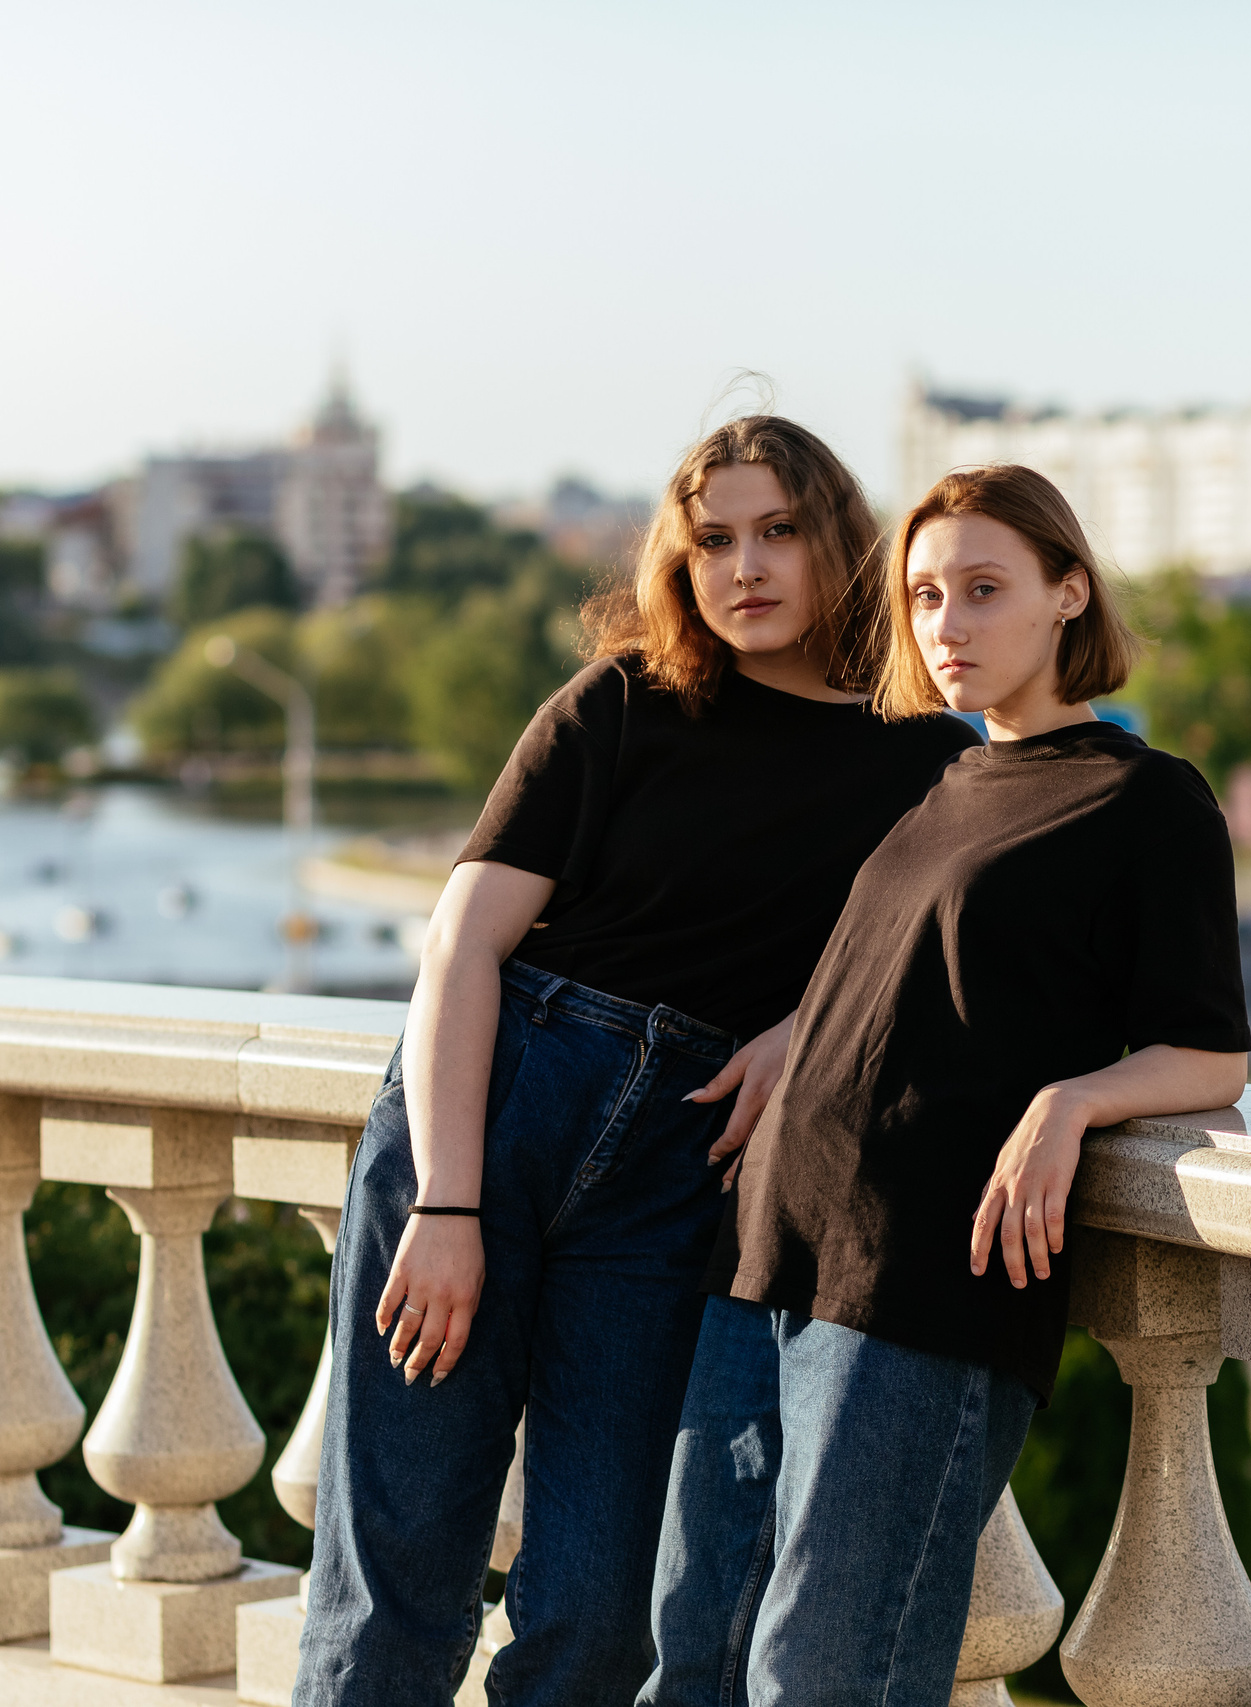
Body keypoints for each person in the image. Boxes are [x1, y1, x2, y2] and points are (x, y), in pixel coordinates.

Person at [295, 417, 981, 1707]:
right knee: (393, 1579)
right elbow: (461, 948)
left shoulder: (928, 759)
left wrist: (802, 1035)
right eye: (713, 540)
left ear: (841, 542)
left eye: (779, 531)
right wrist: (445, 1204)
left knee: (601, 1614)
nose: (745, 567)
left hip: (681, 1168)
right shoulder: (620, 702)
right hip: (495, 1108)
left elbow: (924, 971)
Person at [640, 464, 1251, 1707]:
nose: (946, 625)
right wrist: (797, 1033)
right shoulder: (947, 780)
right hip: (768, 1252)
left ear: (1067, 592)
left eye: (982, 590)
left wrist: (1070, 1104)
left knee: (823, 1677)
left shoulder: (1143, 797)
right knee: (694, 1660)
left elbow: (1208, 1053)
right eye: (924, 596)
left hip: (922, 1284)